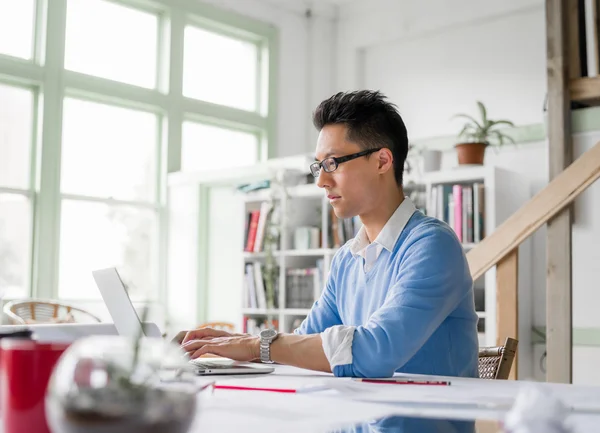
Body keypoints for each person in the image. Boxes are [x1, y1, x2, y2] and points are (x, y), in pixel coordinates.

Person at [179, 90, 479, 378]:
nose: (321, 180)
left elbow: (377, 350)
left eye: (333, 163)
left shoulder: (432, 246)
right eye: (318, 166)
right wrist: (235, 345)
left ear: (382, 161)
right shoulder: (347, 259)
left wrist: (255, 345)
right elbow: (304, 343)